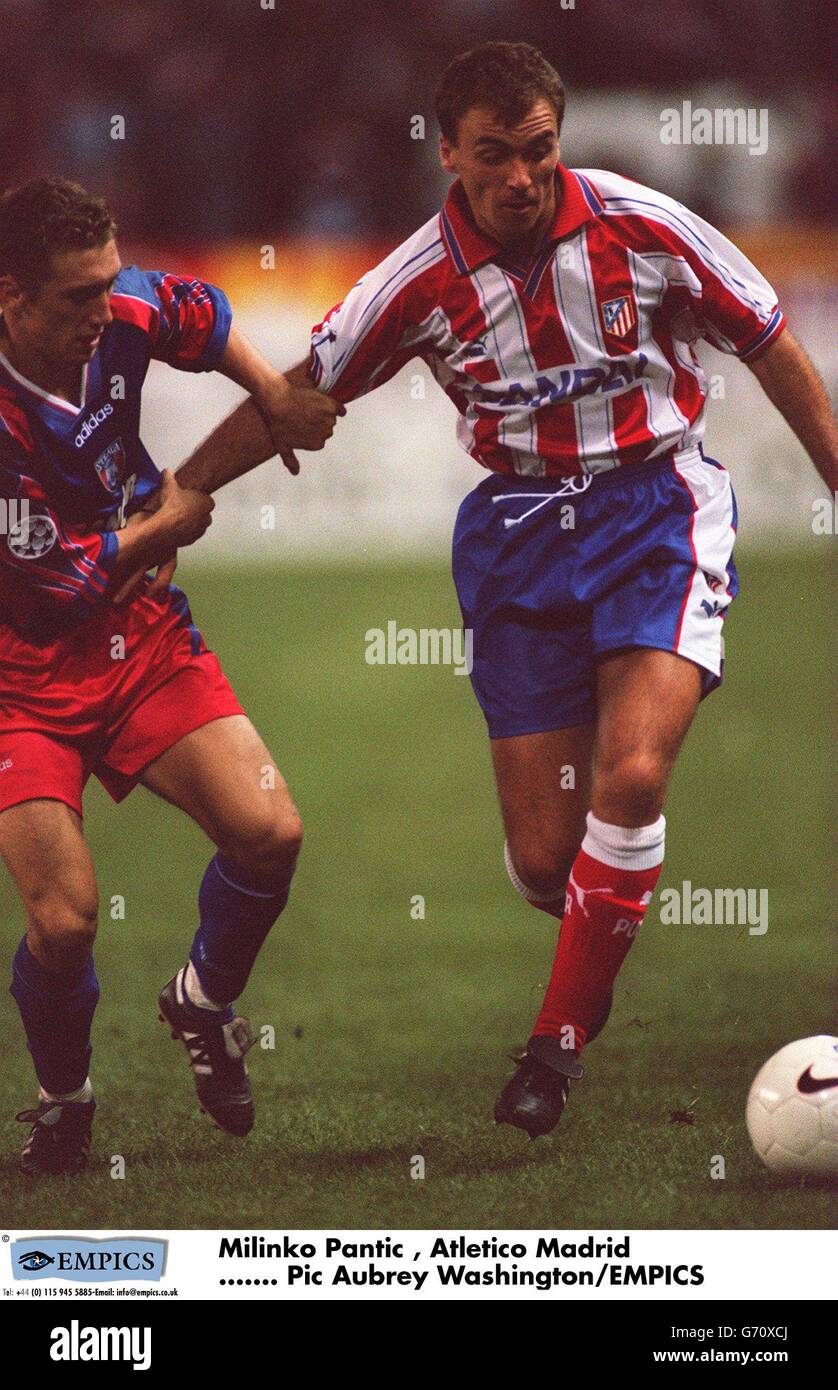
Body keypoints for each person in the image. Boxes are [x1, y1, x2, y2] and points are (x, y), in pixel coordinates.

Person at [171, 41, 838, 1139]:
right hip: (518, 538)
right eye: (494, 157)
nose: (521, 178)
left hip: (654, 511)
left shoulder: (645, 224)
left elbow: (767, 337)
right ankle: (594, 926)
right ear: (448, 152)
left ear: (556, 139)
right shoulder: (414, 280)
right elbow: (301, 393)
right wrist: (184, 488)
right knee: (546, 865)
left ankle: (553, 1048)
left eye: (538, 151)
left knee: (632, 771)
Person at [0, 177, 343, 1174]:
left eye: (106, 283)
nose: (102, 312)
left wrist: (270, 390)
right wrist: (166, 523)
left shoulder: (119, 308)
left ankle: (201, 998)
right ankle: (65, 1105)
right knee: (63, 921)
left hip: (138, 636)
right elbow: (58, 583)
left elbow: (199, 315)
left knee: (271, 830)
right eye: (75, 296)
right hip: (19, 676)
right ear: (10, 296)